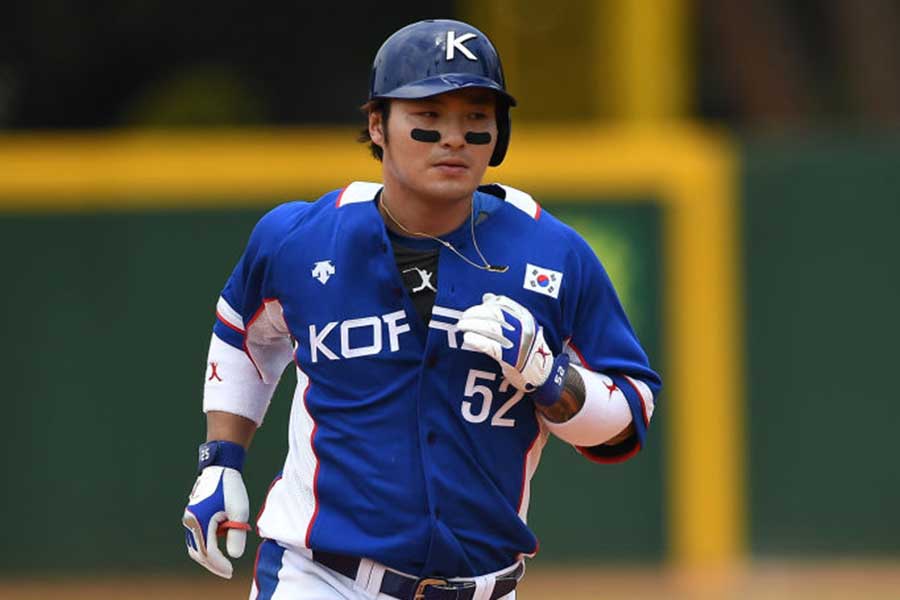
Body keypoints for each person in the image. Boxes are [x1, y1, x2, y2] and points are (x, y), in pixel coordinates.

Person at [182, 18, 661, 600]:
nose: (454, 138)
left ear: (499, 134)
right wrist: (221, 461)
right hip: (321, 578)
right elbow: (244, 334)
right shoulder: (299, 237)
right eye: (429, 119)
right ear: (377, 125)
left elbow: (628, 418)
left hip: (482, 587)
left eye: (475, 119)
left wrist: (549, 377)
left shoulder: (554, 254)